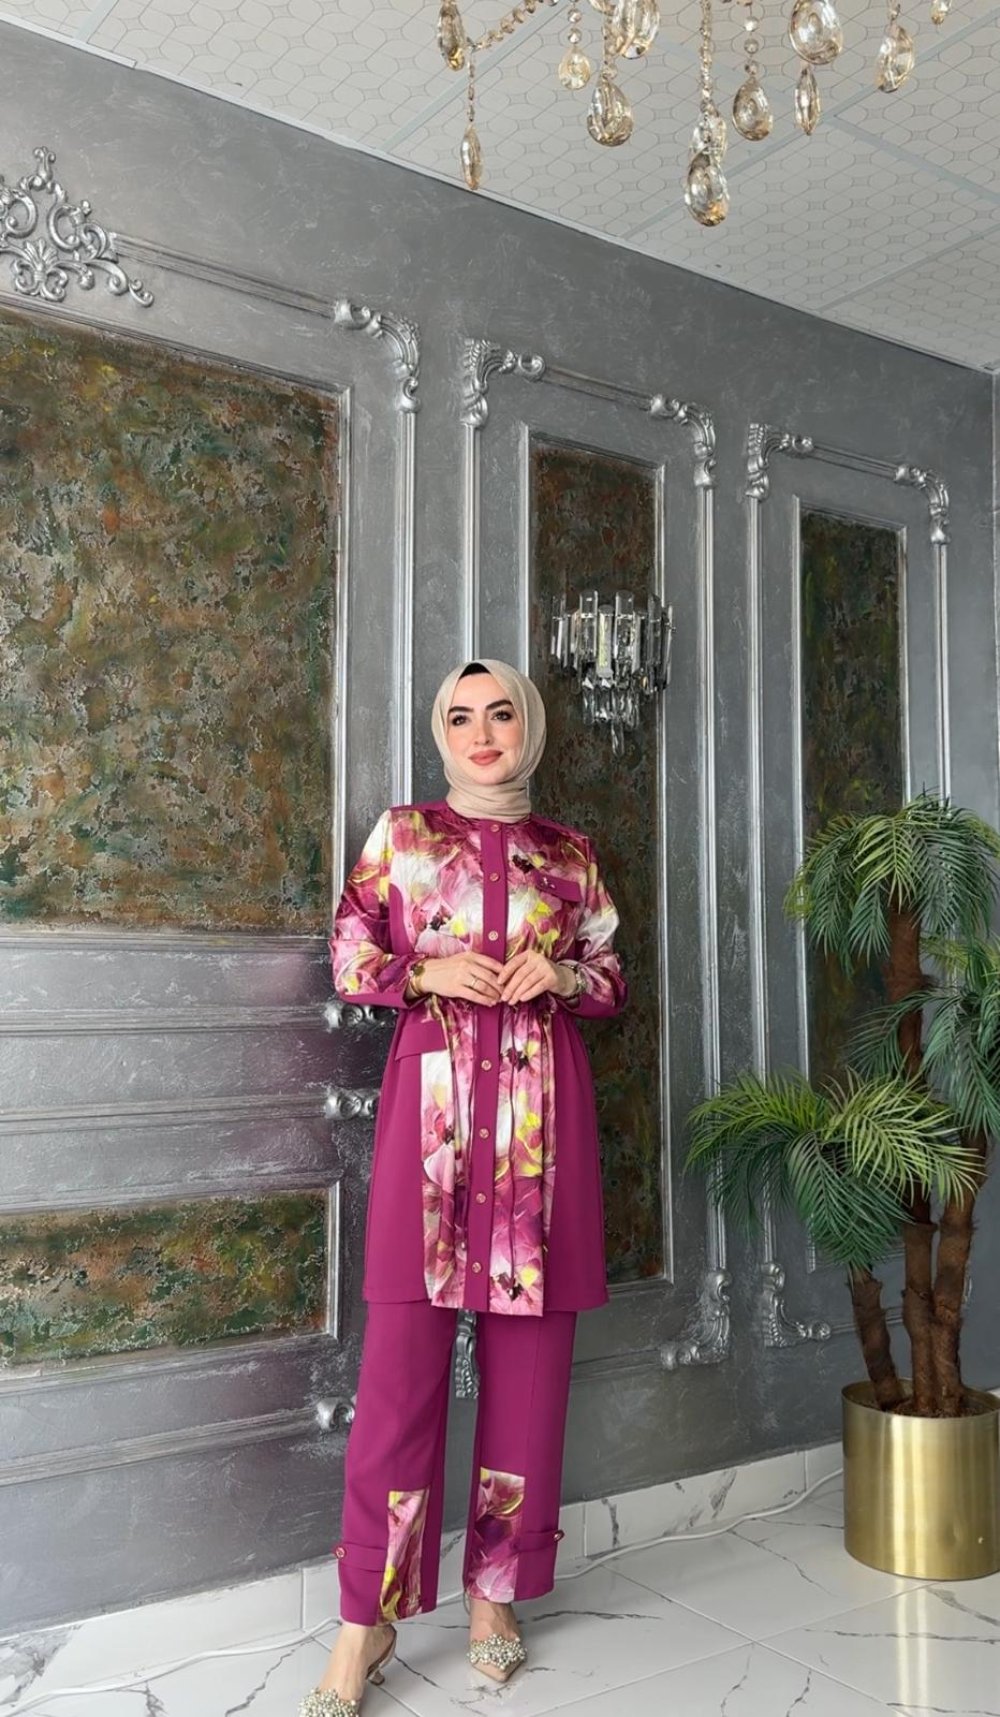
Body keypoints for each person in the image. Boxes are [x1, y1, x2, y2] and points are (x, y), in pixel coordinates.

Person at [300, 659, 627, 1717]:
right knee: (398, 1378)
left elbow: (611, 974)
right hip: (430, 1136)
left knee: (529, 1377)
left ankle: (497, 1593)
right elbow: (349, 952)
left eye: (500, 714)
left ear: (529, 726)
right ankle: (368, 1616)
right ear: (440, 733)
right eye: (460, 716)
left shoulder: (570, 855)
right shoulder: (404, 837)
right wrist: (424, 972)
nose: (482, 733)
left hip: (541, 1136)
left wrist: (563, 975)